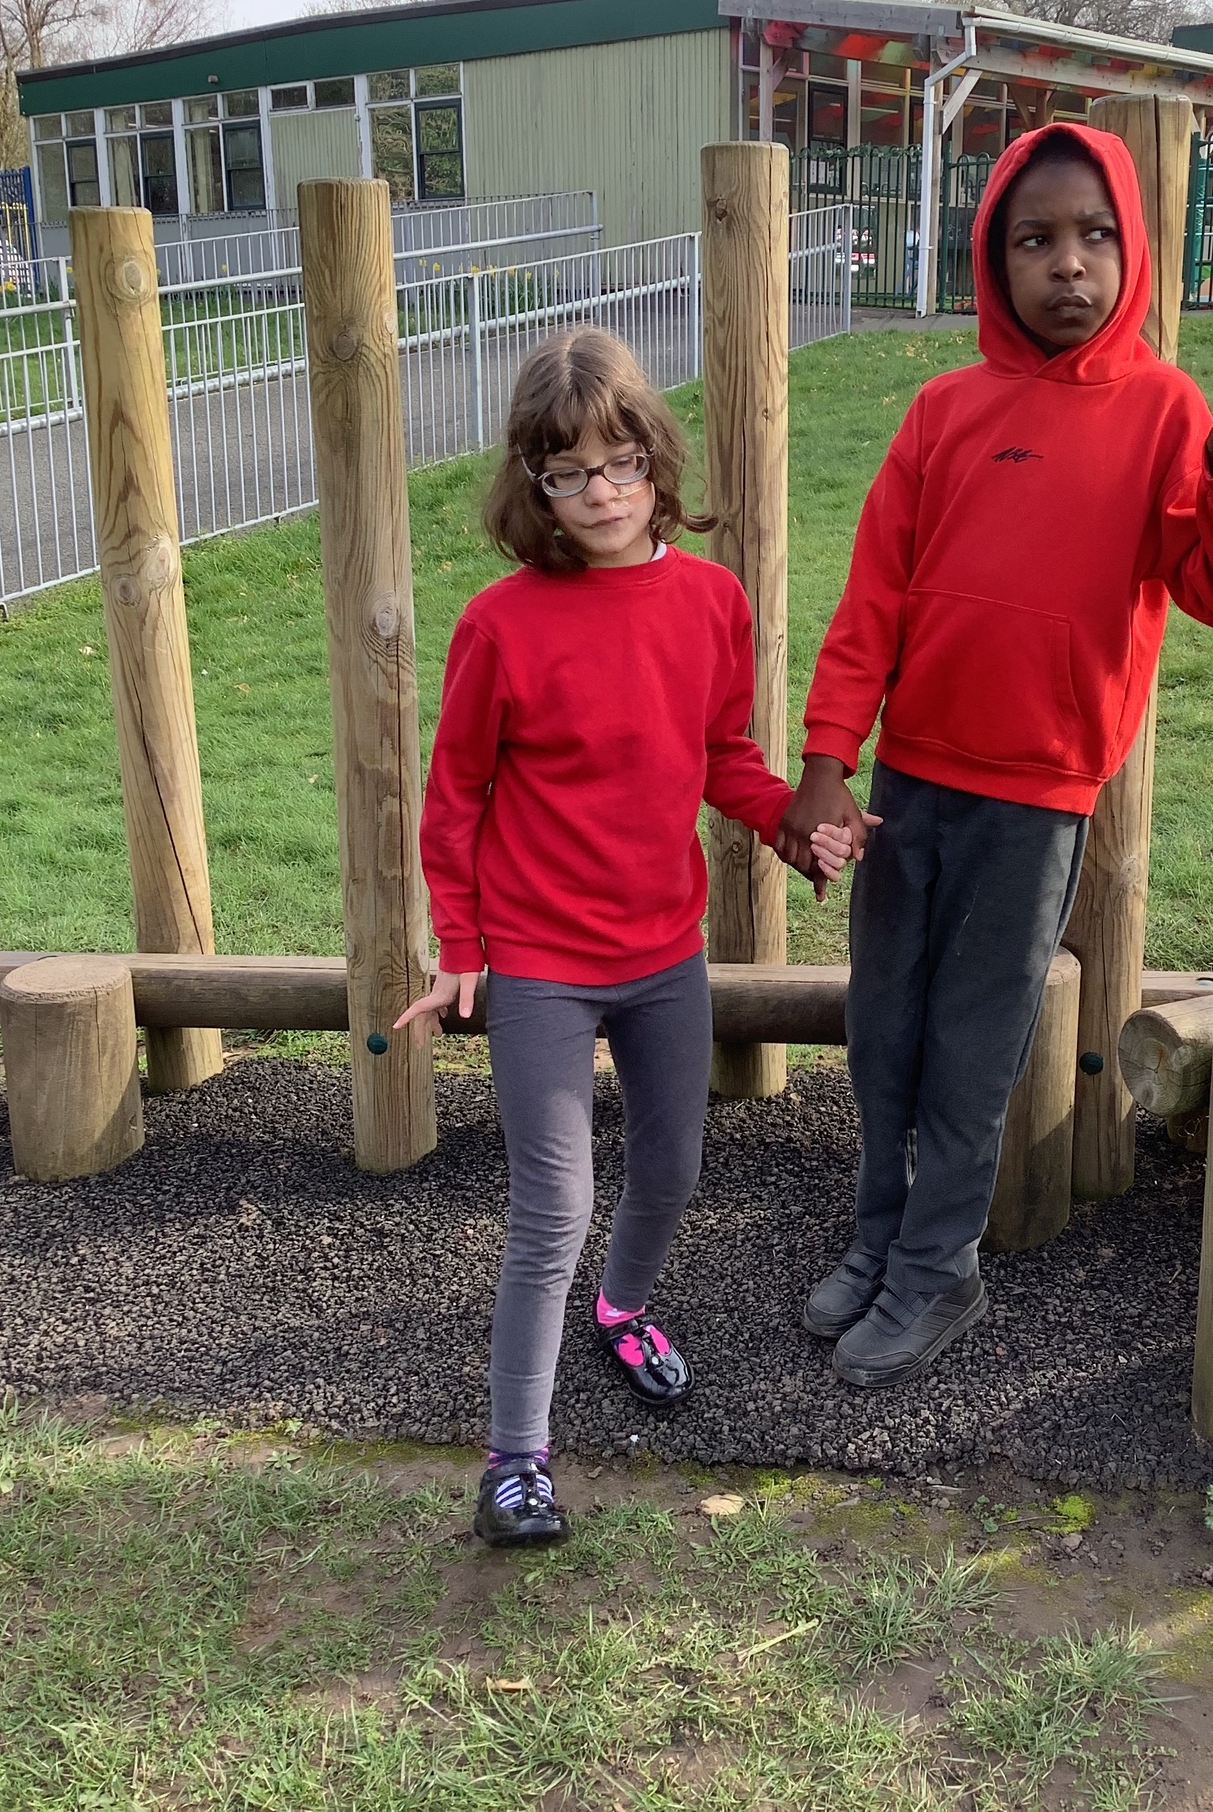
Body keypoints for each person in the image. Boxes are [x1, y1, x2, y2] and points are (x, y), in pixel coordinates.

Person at [782, 121, 1213, 1391]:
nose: (1067, 263)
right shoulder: (943, 409)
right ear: (995, 258)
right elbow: (874, 598)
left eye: (1094, 235)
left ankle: (940, 1266)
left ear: (1131, 250)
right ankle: (878, 1237)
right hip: (910, 779)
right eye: (1035, 239)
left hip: (1034, 796)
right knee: (884, 1026)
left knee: (973, 1044)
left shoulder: (1161, 408)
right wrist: (827, 757)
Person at [396, 329, 827, 1549]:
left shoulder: (711, 600)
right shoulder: (501, 625)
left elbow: (722, 756)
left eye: (620, 461)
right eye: (567, 471)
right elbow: (454, 797)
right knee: (554, 1208)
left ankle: (622, 1309)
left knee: (673, 1165)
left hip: (663, 953)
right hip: (539, 962)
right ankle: (515, 1461)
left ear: (655, 458)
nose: (599, 490)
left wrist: (794, 823)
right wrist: (463, 943)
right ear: (533, 484)